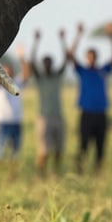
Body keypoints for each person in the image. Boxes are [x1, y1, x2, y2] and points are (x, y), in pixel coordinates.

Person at [66, 23, 112, 172]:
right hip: (87, 114)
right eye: (89, 57)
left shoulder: (103, 70)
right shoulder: (82, 70)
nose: (91, 59)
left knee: (100, 147)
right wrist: (78, 35)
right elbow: (70, 55)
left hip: (101, 114)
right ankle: (79, 171)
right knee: (83, 146)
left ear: (96, 57)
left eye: (93, 56)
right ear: (86, 58)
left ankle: (98, 173)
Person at [29, 28, 67, 174]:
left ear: (52, 64)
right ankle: (41, 174)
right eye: (45, 63)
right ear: (43, 65)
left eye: (49, 63)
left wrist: (62, 41)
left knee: (59, 150)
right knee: (44, 151)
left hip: (58, 117)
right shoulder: (40, 78)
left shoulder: (57, 76)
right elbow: (32, 63)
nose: (47, 65)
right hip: (44, 118)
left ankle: (55, 173)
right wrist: (35, 42)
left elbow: (65, 61)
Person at [0, 45, 30, 169]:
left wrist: (21, 57)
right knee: (0, 151)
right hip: (3, 122)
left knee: (15, 153)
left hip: (16, 122)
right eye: (5, 71)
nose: (8, 72)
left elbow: (26, 74)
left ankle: (12, 174)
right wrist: (0, 72)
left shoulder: (16, 83)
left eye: (9, 71)